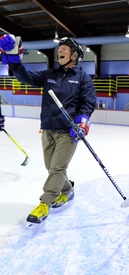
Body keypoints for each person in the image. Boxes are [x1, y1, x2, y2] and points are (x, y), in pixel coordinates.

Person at [0, 34, 96, 226]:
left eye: (65, 48)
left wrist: (82, 123)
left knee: (57, 168)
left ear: (75, 55)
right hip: (48, 129)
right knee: (52, 168)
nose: (60, 50)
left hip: (68, 132)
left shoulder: (82, 78)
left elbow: (88, 103)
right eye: (59, 48)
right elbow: (25, 77)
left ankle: (45, 203)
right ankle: (67, 190)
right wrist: (14, 60)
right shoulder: (49, 75)